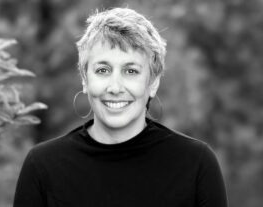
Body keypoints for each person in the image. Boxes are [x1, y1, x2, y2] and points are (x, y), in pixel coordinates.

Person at [13, 7, 228, 207]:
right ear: (85, 80)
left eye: (131, 71)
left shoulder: (196, 164)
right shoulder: (43, 167)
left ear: (153, 83)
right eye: (103, 70)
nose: (115, 87)